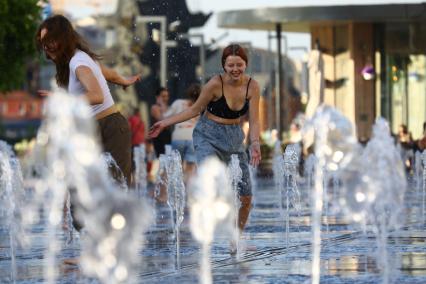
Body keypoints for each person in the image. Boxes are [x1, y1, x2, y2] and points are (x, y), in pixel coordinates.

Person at [149, 44, 261, 252]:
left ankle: (235, 239)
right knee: (209, 181)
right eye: (230, 65)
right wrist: (165, 122)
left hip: (235, 138)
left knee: (245, 196)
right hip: (207, 135)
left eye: (239, 65)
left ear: (246, 64)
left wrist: (255, 143)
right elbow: (194, 110)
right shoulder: (214, 84)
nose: (235, 69)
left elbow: (254, 121)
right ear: (223, 66)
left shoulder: (252, 86)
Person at [36, 15, 140, 233]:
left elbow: (96, 95)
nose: (47, 48)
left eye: (51, 42)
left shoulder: (78, 61)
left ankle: (115, 251)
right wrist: (122, 80)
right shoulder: (78, 60)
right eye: (44, 44)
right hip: (92, 132)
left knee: (114, 192)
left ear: (64, 37)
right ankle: (97, 249)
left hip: (110, 129)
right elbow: (104, 73)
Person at [164, 83, 201, 183]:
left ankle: (176, 190)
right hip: (193, 138)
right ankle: (187, 192)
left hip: (178, 136)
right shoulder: (201, 106)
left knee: (176, 166)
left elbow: (166, 116)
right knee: (190, 168)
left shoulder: (178, 103)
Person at [150, 87, 172, 156]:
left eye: (167, 96)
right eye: (163, 96)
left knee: (169, 157)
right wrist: (162, 105)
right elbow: (162, 120)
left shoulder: (169, 107)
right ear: (157, 97)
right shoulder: (154, 107)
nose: (166, 98)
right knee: (161, 158)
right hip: (158, 137)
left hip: (168, 136)